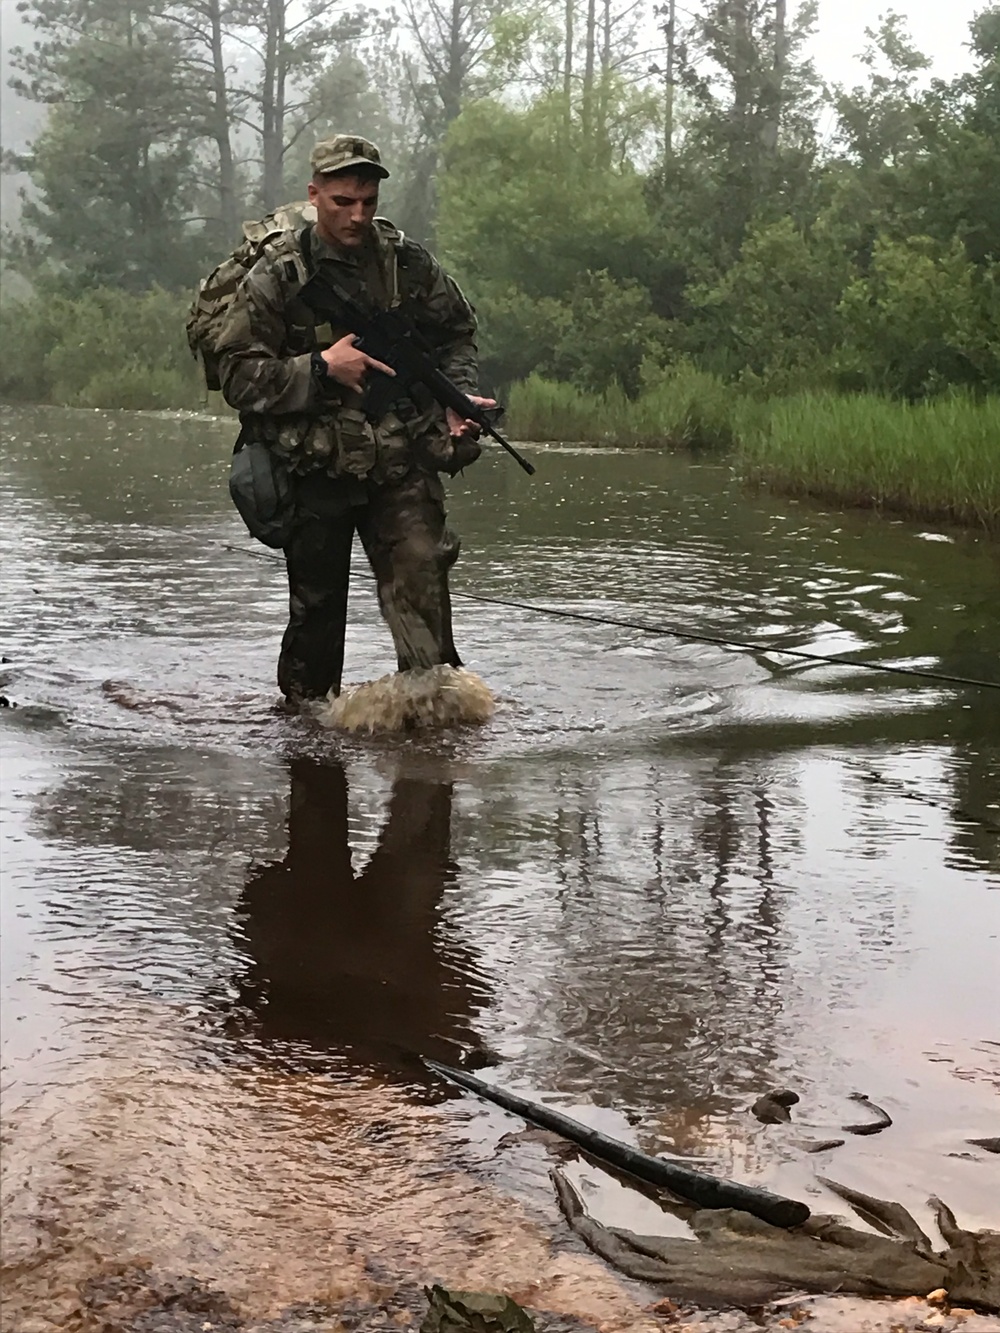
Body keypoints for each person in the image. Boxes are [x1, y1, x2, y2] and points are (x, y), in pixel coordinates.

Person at [215, 134, 494, 704]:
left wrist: (457, 399)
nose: (358, 215)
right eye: (343, 202)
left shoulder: (406, 263)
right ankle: (307, 754)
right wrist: (321, 367)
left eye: (368, 201)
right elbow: (238, 375)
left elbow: (457, 335)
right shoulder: (277, 275)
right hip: (314, 466)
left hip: (399, 461)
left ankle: (435, 739)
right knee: (316, 631)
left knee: (422, 593)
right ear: (315, 196)